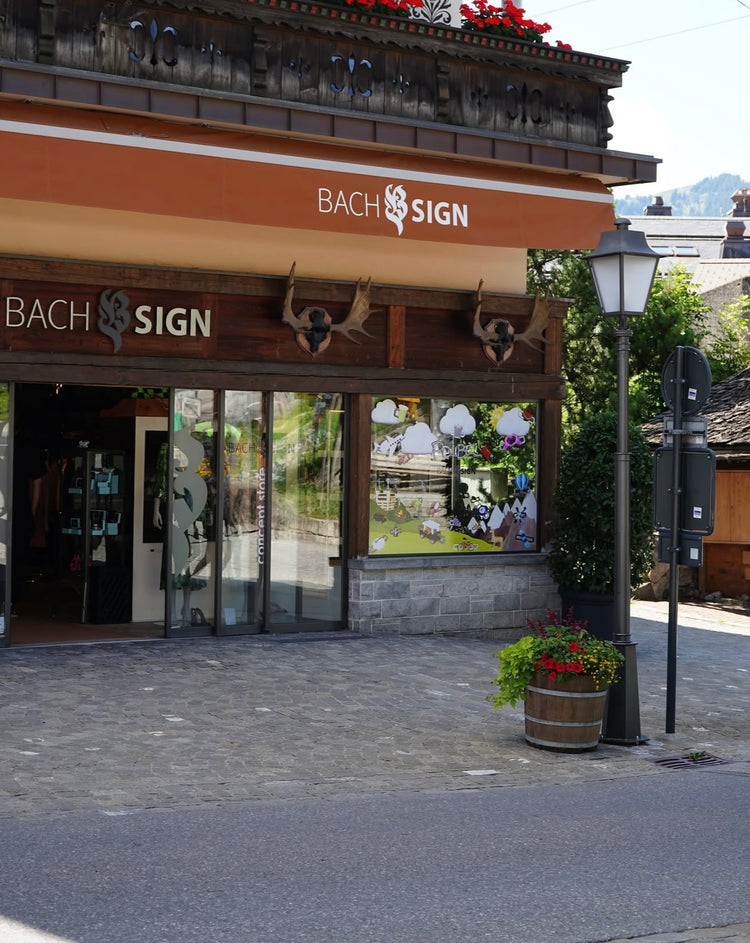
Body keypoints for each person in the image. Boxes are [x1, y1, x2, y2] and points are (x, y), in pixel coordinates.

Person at [11, 428, 47, 614]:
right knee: (17, 557)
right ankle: (10, 601)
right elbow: (38, 481)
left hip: (13, 509)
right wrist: (32, 510)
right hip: (20, 509)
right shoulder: (26, 447)